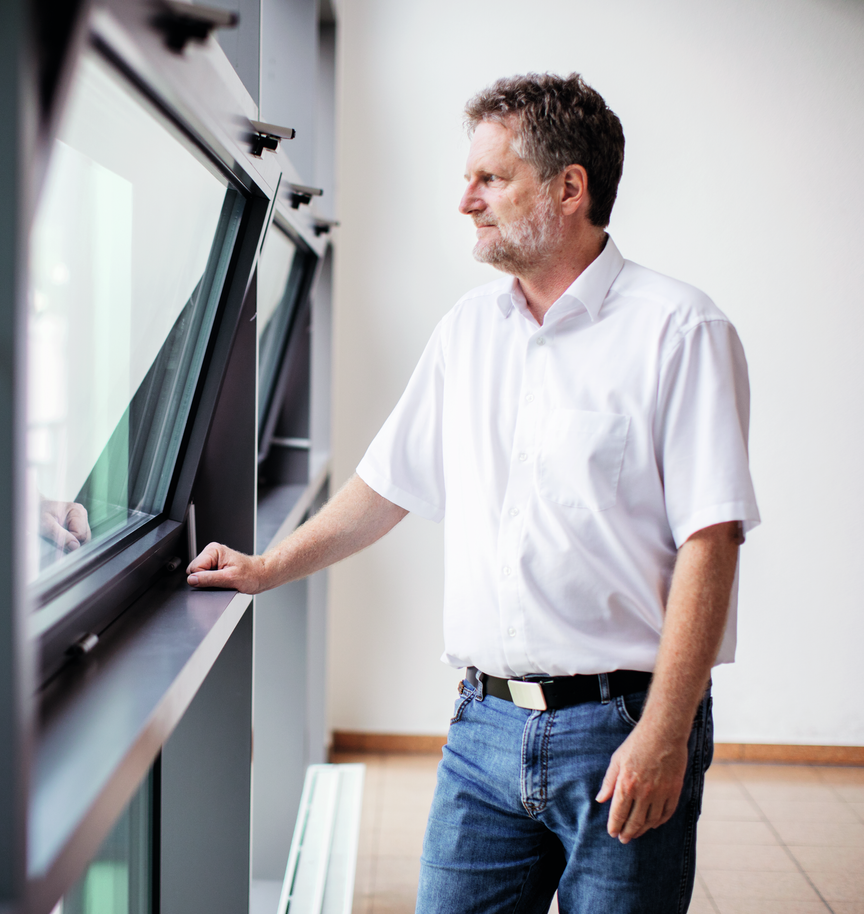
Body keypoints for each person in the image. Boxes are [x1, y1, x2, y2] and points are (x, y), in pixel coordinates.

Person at [187, 73, 759, 914]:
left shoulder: (680, 331)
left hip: (621, 728)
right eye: (469, 179)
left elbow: (711, 543)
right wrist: (269, 567)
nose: (466, 201)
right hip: (483, 730)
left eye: (491, 178)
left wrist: (665, 734)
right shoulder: (466, 332)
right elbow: (385, 487)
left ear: (569, 188)